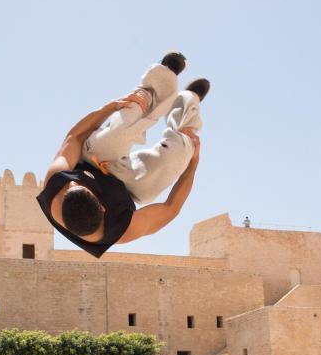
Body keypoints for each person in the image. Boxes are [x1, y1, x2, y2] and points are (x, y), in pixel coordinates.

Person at [37, 52, 210, 258]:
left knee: (116, 133)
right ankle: (188, 104)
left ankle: (160, 79)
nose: (72, 182)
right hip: (127, 189)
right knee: (179, 154)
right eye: (78, 185)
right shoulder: (122, 230)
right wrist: (194, 162)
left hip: (94, 160)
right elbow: (170, 208)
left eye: (71, 186)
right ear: (102, 206)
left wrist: (111, 106)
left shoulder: (55, 185)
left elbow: (74, 138)